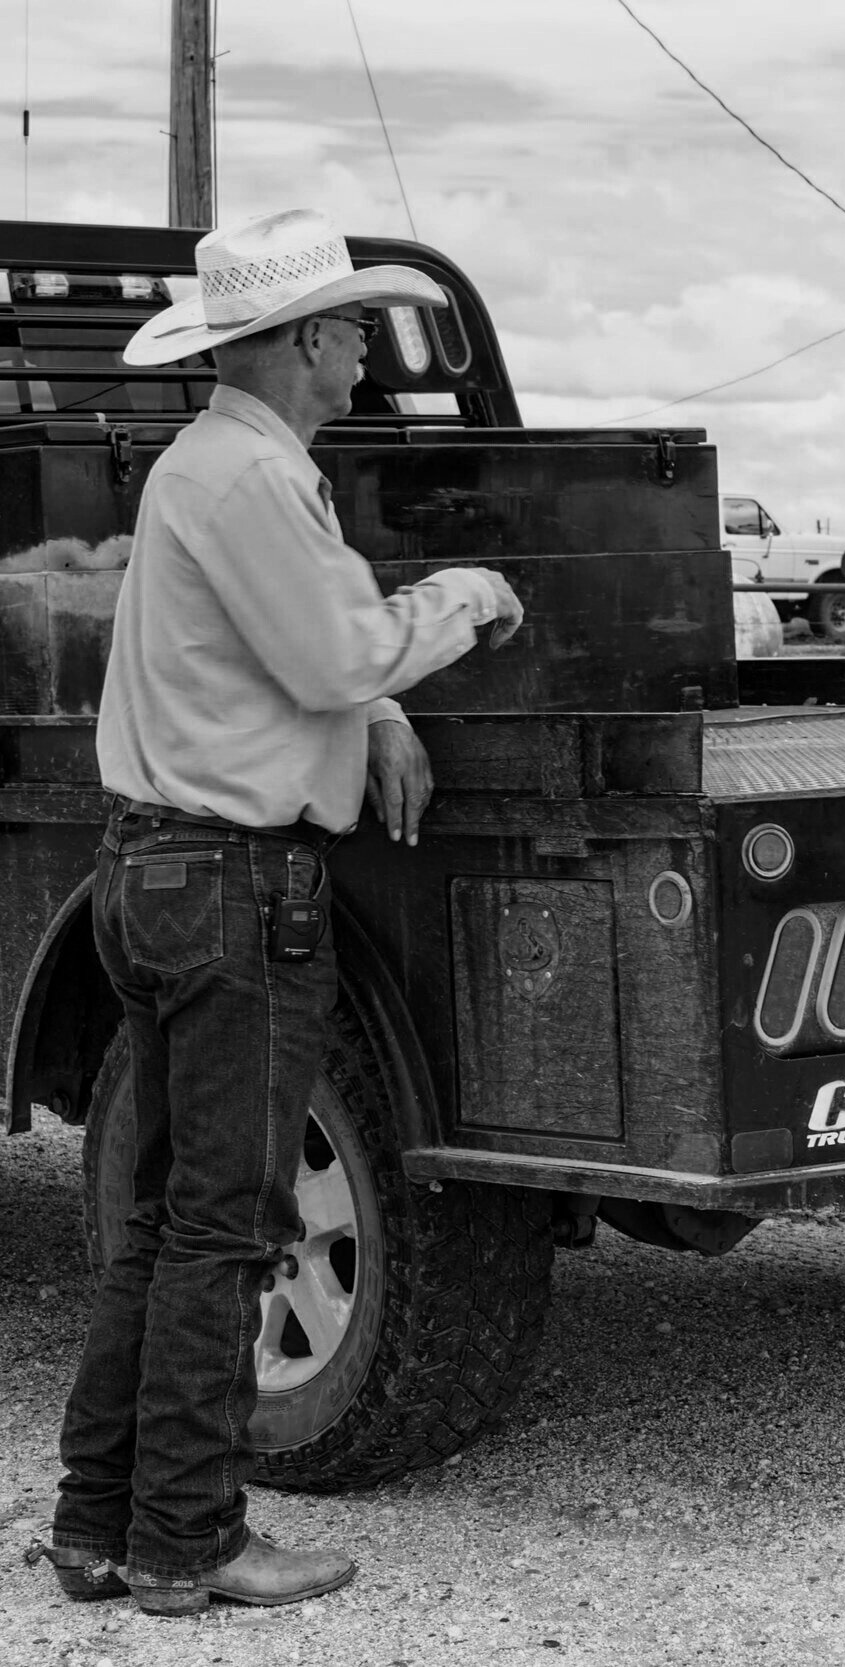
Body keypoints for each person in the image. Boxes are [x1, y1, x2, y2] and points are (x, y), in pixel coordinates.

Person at [30, 209, 522, 1617]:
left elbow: (290, 658)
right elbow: (334, 645)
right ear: (305, 341)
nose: (367, 341)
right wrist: (462, 598)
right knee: (220, 1229)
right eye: (353, 322)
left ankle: (99, 1527)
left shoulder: (216, 470)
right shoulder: (250, 478)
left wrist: (363, 698)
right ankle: (188, 1537)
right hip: (232, 884)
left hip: (167, 873)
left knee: (166, 1221)